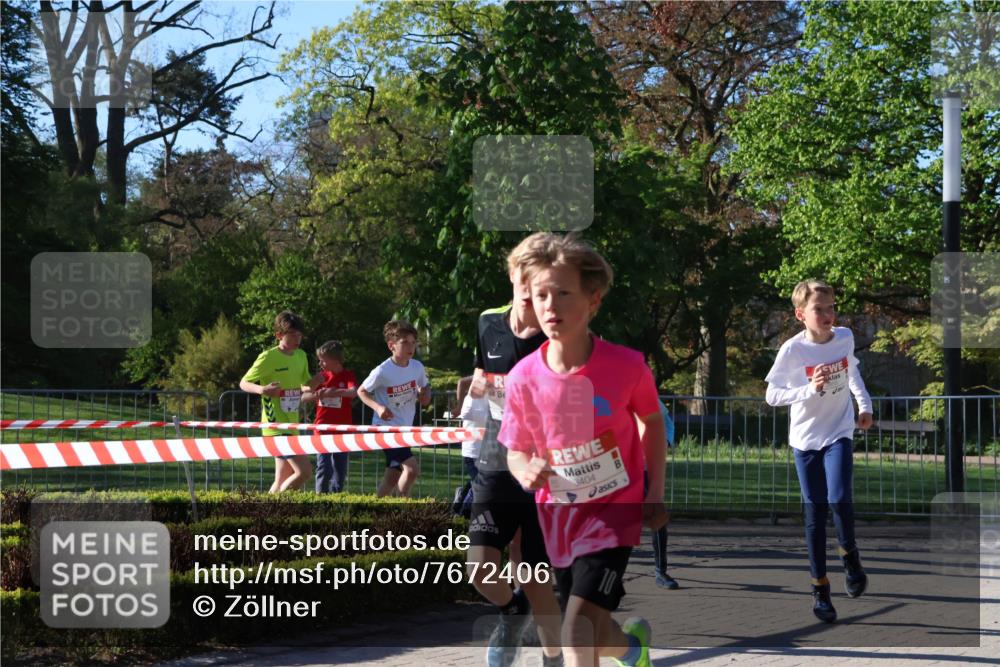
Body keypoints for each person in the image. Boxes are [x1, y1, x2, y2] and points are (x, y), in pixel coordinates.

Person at [501, 232, 667, 667]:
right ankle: (632, 649)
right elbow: (514, 449)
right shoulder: (522, 378)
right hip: (557, 516)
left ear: (593, 301)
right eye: (540, 295)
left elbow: (651, 422)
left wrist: (655, 491)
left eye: (563, 293)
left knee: (576, 630)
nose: (550, 305)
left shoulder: (627, 366)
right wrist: (523, 469)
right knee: (590, 626)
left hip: (614, 510)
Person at [467, 235, 563, 667]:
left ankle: (553, 658)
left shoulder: (560, 333)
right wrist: (476, 385)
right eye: (523, 275)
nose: (530, 286)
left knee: (535, 574)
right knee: (481, 570)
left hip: (545, 469)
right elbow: (479, 373)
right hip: (494, 458)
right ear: (512, 275)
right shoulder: (488, 321)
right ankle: (511, 610)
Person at [764, 279, 873, 623]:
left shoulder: (844, 338)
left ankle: (850, 556)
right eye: (819, 309)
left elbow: (852, 371)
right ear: (801, 314)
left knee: (839, 498)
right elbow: (772, 396)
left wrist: (864, 405)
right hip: (806, 440)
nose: (828, 315)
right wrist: (808, 389)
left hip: (839, 431)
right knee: (814, 515)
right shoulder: (793, 351)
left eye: (831, 308)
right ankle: (820, 590)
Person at [239, 310, 314, 494]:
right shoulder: (268, 357)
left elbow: (306, 385)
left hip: (292, 425)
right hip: (275, 427)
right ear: (279, 335)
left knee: (281, 478)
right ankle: (277, 508)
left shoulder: (301, 356)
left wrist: (317, 383)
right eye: (293, 335)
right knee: (304, 472)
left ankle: (262, 516)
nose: (298, 339)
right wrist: (262, 390)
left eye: (300, 335)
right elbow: (243, 383)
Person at [358, 320, 431, 497]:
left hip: (404, 429)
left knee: (392, 477)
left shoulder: (417, 367)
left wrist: (424, 394)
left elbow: (426, 393)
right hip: (386, 429)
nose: (410, 347)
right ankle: (401, 511)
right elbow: (362, 391)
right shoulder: (382, 371)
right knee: (412, 470)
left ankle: (372, 509)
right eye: (405, 342)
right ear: (391, 345)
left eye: (414, 342)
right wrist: (378, 407)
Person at [302, 340, 357, 493]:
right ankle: (320, 498)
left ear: (336, 360)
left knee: (340, 470)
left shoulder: (347, 376)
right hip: (322, 428)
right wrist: (317, 394)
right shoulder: (321, 377)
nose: (320, 363)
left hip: (342, 430)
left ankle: (336, 498)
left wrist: (334, 392)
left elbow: (353, 392)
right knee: (324, 467)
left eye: (323, 359)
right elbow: (303, 397)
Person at [452, 378, 487, 517]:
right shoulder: (480, 379)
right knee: (482, 485)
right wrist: (459, 406)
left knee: (481, 483)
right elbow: (462, 382)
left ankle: (461, 499)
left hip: (492, 450)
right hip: (473, 450)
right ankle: (461, 514)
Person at [652, 401, 678, 590]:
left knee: (657, 517)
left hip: (645, 466)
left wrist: (666, 441)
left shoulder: (639, 388)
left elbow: (667, 422)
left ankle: (661, 571)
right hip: (614, 467)